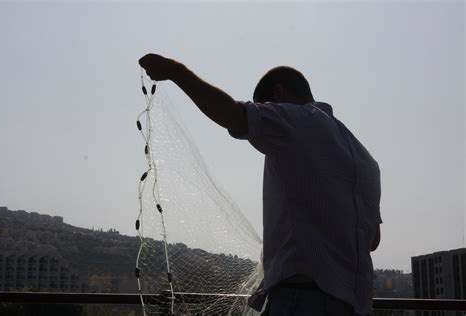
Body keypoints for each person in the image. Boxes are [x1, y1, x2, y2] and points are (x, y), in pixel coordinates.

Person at [139, 53, 382, 316]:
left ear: (278, 95)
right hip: (353, 304)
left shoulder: (298, 120)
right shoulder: (364, 157)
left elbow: (235, 115)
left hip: (303, 300)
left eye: (266, 107)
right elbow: (372, 241)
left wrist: (177, 71)